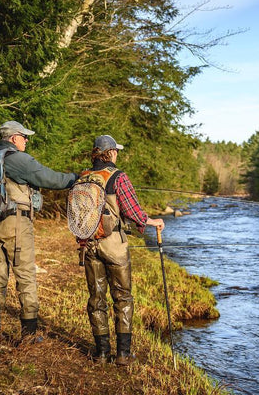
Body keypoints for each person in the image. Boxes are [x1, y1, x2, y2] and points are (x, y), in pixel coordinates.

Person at [0, 121, 78, 347]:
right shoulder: (18, 159)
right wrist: (76, 178)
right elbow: (51, 179)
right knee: (26, 278)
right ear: (13, 138)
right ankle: (29, 337)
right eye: (24, 137)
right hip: (16, 225)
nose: (26, 140)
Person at [82, 135, 164, 366]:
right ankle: (123, 354)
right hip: (113, 245)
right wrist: (153, 221)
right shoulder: (118, 177)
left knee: (96, 299)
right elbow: (132, 212)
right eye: (116, 151)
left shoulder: (84, 177)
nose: (117, 154)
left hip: (89, 245)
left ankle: (101, 354)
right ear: (111, 153)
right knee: (123, 297)